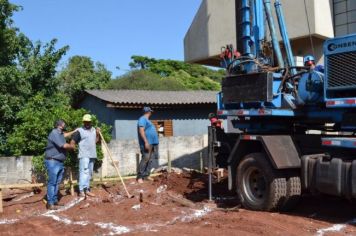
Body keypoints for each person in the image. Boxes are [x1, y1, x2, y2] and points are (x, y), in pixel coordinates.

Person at [44, 120, 77, 210]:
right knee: (52, 182)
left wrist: (74, 131)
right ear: (60, 125)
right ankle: (50, 203)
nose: (65, 126)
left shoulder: (60, 133)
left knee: (57, 182)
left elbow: (65, 135)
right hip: (53, 161)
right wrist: (72, 146)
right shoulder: (54, 133)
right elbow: (64, 146)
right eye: (64, 124)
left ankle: (54, 201)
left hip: (59, 162)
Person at [71, 114, 101, 198]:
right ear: (83, 122)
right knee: (84, 172)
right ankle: (81, 190)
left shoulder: (94, 130)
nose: (87, 123)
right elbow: (73, 141)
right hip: (84, 155)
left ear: (91, 122)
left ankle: (87, 190)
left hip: (92, 154)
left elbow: (96, 141)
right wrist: (73, 148)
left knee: (89, 173)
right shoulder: (79, 131)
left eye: (88, 122)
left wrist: (98, 134)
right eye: (85, 122)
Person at [137, 106, 159, 183]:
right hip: (147, 143)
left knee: (150, 160)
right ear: (149, 112)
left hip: (153, 143)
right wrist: (146, 142)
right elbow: (141, 130)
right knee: (145, 158)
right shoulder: (142, 119)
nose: (151, 113)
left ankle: (146, 175)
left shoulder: (147, 120)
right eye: (151, 111)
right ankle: (140, 177)